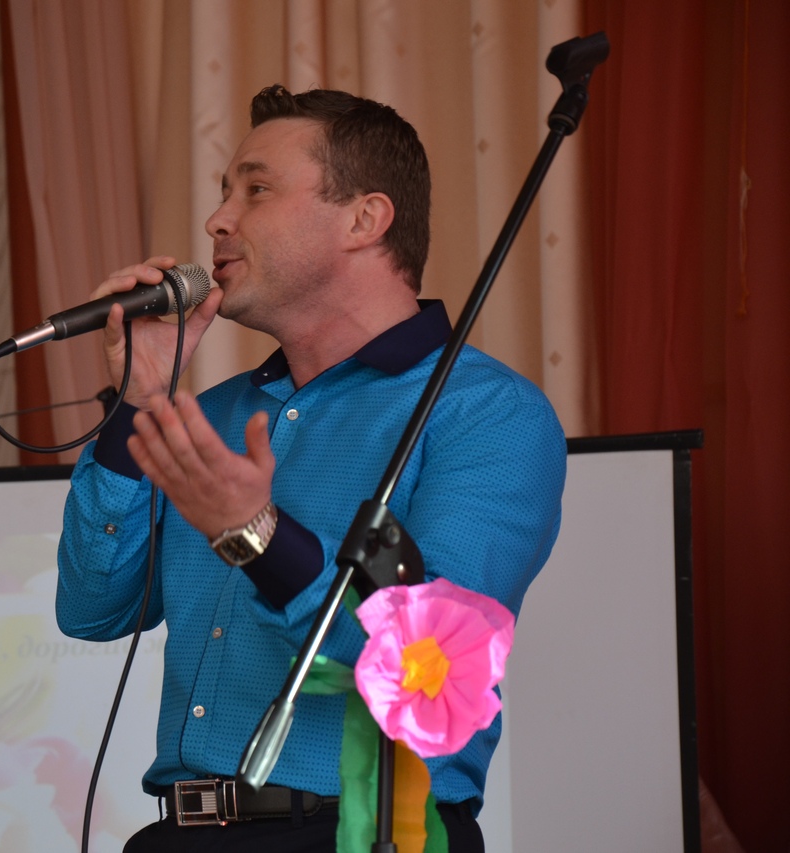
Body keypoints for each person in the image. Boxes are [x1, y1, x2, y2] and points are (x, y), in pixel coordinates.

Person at [55, 85, 566, 853]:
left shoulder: (485, 413)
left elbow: (434, 673)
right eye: (224, 191)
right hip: (177, 834)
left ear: (364, 219)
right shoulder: (215, 413)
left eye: (256, 190)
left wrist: (256, 535)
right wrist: (138, 399)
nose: (217, 219)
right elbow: (93, 609)